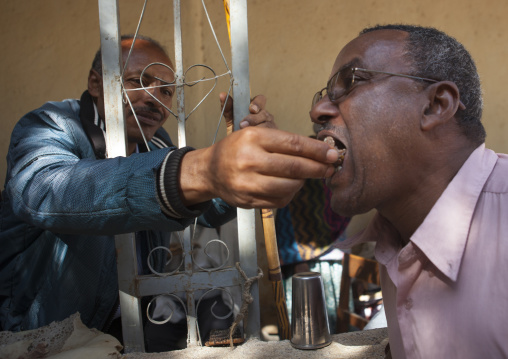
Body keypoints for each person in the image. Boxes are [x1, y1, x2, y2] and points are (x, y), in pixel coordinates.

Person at [0, 34, 340, 340]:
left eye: (165, 90)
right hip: (38, 335)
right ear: (96, 83)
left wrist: (240, 170)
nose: (154, 99)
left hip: (125, 330)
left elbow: (204, 212)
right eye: (139, 82)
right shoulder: (51, 125)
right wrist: (199, 169)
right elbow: (42, 190)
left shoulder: (156, 143)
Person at [310, 24, 508, 358]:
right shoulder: (393, 238)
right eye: (322, 96)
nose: (318, 112)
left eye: (350, 82)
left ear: (435, 105)